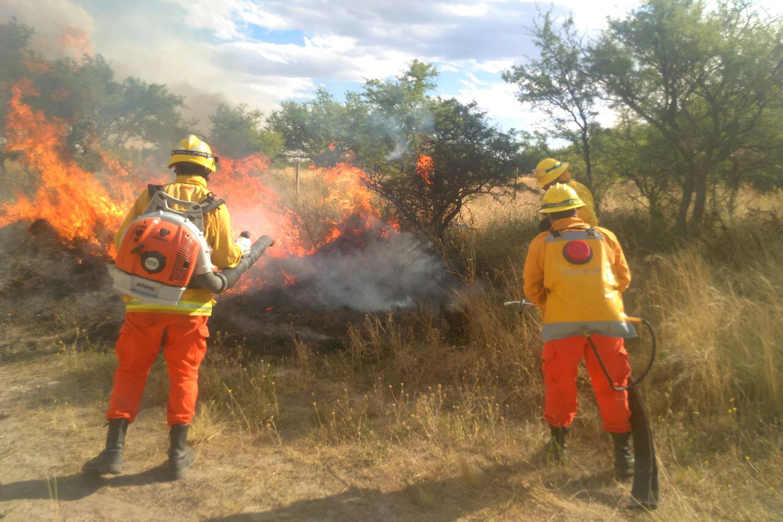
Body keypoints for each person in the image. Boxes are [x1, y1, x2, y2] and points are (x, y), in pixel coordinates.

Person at [83, 135, 250, 479]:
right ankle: (177, 452)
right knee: (184, 374)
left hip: (142, 303)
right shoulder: (214, 204)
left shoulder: (150, 197)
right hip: (191, 310)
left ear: (174, 166)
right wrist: (242, 248)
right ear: (208, 169)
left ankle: (113, 452)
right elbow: (222, 258)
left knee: (130, 372)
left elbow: (122, 242)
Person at [522, 183, 635, 478]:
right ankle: (624, 457)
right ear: (577, 209)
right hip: (608, 322)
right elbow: (623, 278)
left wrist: (555, 306)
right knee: (613, 385)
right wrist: (600, 299)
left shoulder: (541, 242)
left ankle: (559, 449)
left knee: (560, 384)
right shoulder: (605, 236)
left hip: (561, 325)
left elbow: (532, 289)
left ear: (549, 216)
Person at [533, 158, 598, 227]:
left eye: (548, 182)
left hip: (584, 232)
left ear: (558, 177)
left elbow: (585, 217)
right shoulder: (555, 192)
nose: (544, 187)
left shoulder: (575, 190)